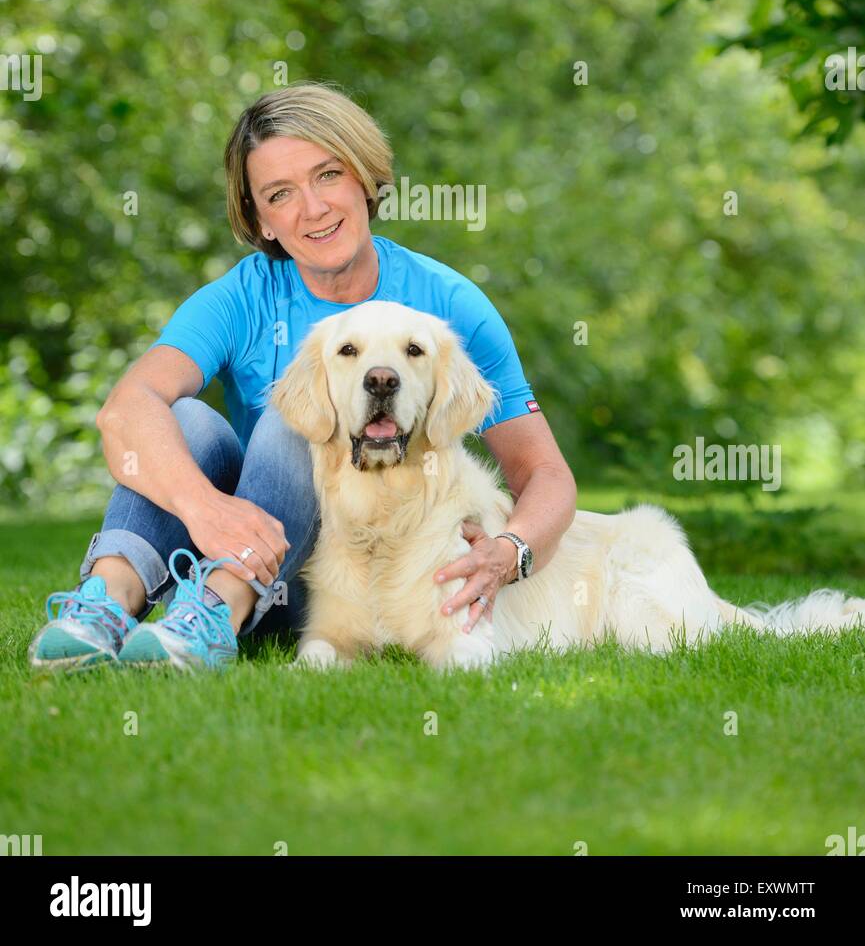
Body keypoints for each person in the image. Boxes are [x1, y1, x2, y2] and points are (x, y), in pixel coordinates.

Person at [29, 81, 577, 672]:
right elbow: (124, 410)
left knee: (297, 425)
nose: (312, 209)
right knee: (183, 418)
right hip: (271, 559)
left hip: (347, 586)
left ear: (365, 181)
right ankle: (103, 607)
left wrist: (509, 552)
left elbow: (543, 471)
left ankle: (216, 607)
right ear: (261, 220)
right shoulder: (241, 298)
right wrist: (205, 510)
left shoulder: (447, 306)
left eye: (328, 175)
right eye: (280, 193)